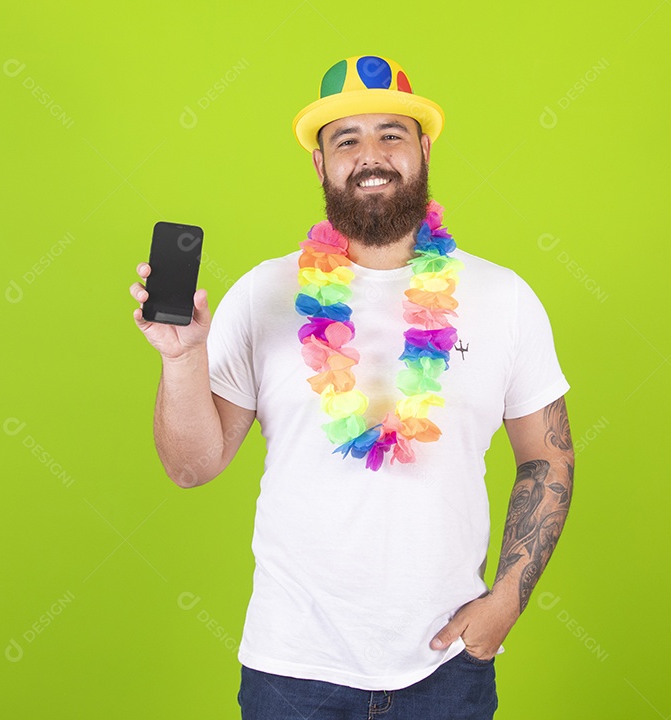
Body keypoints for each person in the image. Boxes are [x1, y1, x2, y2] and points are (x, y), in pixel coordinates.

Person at [130, 54, 575, 720]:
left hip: (447, 667)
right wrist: (182, 356)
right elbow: (192, 467)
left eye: (391, 134)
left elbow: (547, 454)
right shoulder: (263, 294)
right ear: (320, 165)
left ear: (423, 149)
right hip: (292, 671)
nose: (371, 155)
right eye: (346, 139)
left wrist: (507, 600)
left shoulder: (503, 297)